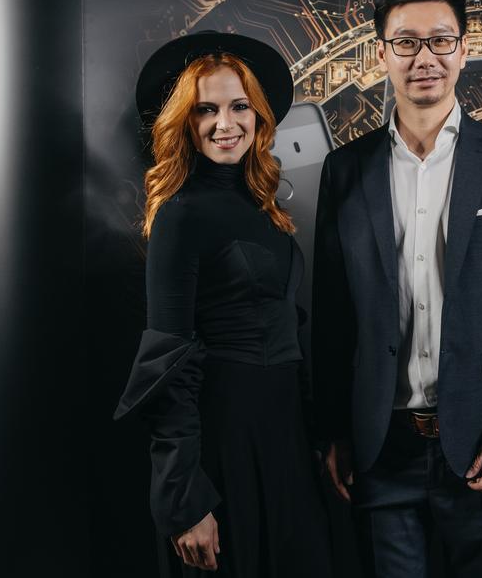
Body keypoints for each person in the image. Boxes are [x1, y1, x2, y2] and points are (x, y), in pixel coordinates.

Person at [312, 0, 482, 578]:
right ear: (382, 54)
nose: (425, 58)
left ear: (464, 49)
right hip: (381, 447)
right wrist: (334, 431)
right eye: (406, 42)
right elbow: (332, 314)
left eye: (441, 40)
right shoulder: (345, 170)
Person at [113, 31, 331, 577]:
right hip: (223, 435)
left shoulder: (264, 207)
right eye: (206, 110)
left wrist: (316, 435)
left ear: (258, 115)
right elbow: (168, 360)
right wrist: (186, 499)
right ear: (185, 122)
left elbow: (287, 326)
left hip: (285, 435)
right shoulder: (180, 214)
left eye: (239, 107)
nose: (224, 124)